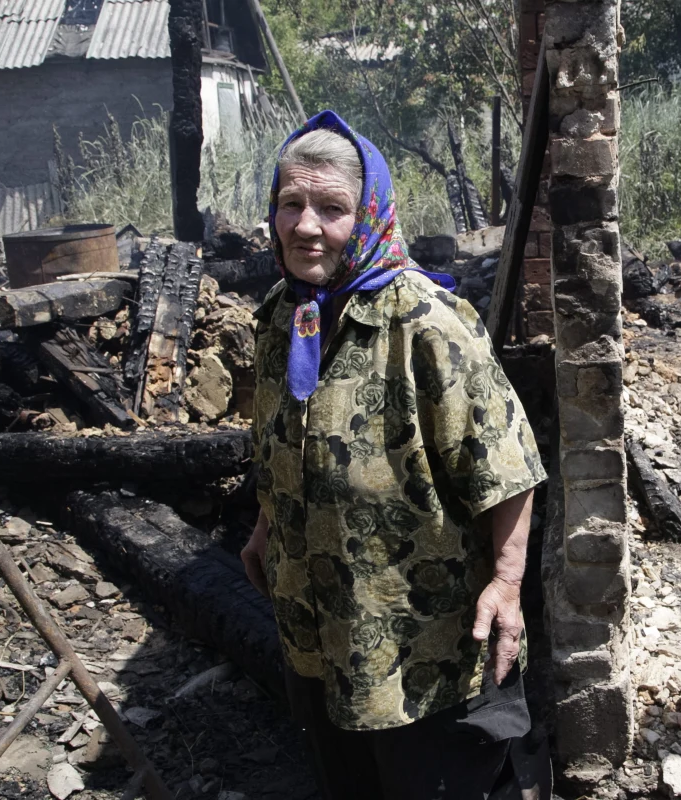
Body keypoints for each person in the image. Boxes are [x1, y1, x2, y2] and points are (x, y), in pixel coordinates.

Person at [240, 110, 549, 800]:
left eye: (331, 207)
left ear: (371, 212)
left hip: (422, 646)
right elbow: (278, 443)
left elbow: (507, 465)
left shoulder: (426, 325)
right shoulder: (283, 316)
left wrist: (505, 582)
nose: (306, 225)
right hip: (320, 629)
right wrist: (266, 525)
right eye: (291, 204)